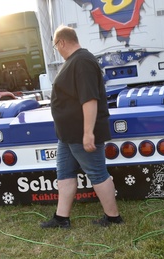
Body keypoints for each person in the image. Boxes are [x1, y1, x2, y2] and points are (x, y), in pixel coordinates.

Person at [40, 25, 123, 229]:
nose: (56, 50)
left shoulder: (82, 61)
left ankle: (113, 217)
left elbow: (90, 100)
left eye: (55, 46)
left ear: (61, 42)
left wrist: (88, 133)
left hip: (80, 133)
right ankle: (62, 218)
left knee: (97, 173)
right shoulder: (74, 62)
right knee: (64, 174)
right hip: (68, 135)